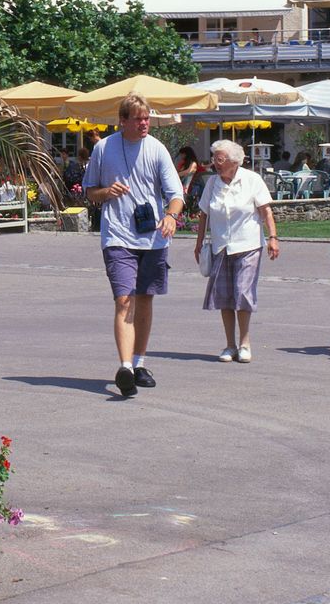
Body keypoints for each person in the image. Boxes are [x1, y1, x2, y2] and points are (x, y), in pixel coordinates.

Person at [81, 92, 187, 398]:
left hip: (153, 237)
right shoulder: (104, 148)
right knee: (124, 299)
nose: (145, 123)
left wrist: (171, 215)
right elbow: (90, 193)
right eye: (139, 119)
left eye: (147, 118)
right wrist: (106, 192)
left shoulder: (157, 149)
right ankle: (125, 367)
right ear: (123, 121)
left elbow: (176, 194)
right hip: (117, 235)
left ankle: (140, 364)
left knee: (146, 299)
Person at [192, 139, 280, 362]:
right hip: (221, 246)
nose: (215, 163)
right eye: (214, 159)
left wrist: (273, 237)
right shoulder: (212, 183)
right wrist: (199, 242)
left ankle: (245, 343)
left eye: (219, 160)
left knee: (242, 292)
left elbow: (266, 211)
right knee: (224, 296)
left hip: (248, 245)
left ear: (234, 161)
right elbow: (204, 215)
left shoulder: (251, 180)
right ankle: (230, 345)